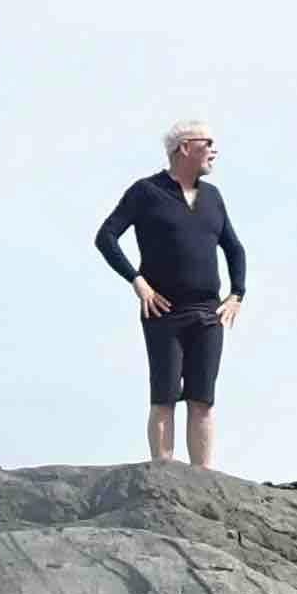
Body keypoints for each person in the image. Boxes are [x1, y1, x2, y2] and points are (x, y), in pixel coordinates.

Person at [93, 120, 248, 469]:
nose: (214, 151)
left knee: (202, 399)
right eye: (207, 143)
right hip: (163, 311)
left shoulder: (213, 197)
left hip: (209, 312)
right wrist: (137, 281)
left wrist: (237, 293)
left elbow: (234, 248)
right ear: (184, 148)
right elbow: (106, 237)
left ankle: (203, 477)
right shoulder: (146, 191)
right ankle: (163, 472)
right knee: (164, 397)